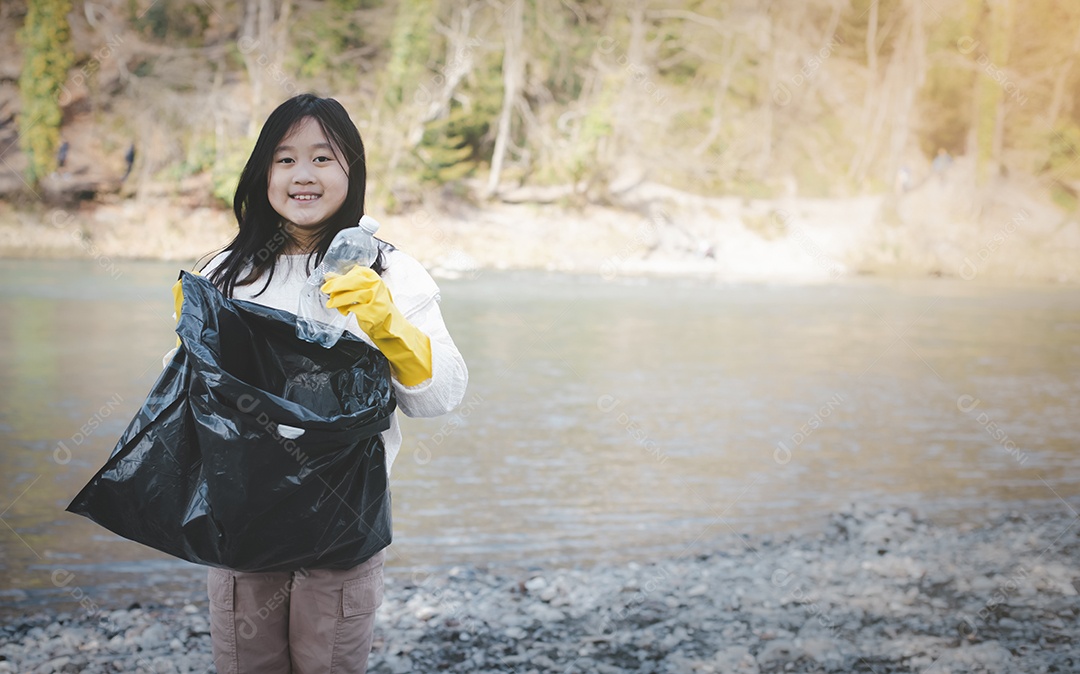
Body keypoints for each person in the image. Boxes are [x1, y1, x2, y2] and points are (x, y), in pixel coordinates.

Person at [177, 94, 469, 674]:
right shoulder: (226, 273)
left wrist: (388, 324)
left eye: (322, 159)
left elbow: (440, 397)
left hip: (343, 521)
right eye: (284, 160)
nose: (302, 176)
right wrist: (189, 341)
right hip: (245, 516)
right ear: (262, 173)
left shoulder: (390, 271)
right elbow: (189, 402)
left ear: (351, 172)